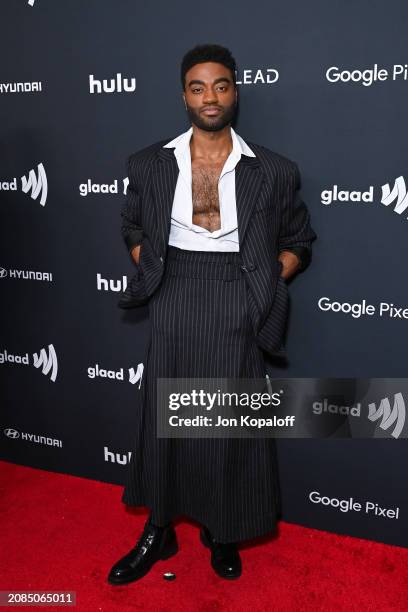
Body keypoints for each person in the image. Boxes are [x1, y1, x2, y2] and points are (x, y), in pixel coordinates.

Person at [108, 43, 317, 585]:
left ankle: (223, 529)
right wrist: (152, 266)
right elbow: (132, 225)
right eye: (198, 87)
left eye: (220, 85)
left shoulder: (273, 171)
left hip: (240, 292)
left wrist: (267, 283)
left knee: (227, 422)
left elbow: (299, 239)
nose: (210, 96)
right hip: (174, 289)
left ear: (235, 92)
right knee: (167, 415)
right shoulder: (149, 163)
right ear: (184, 96)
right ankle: (160, 527)